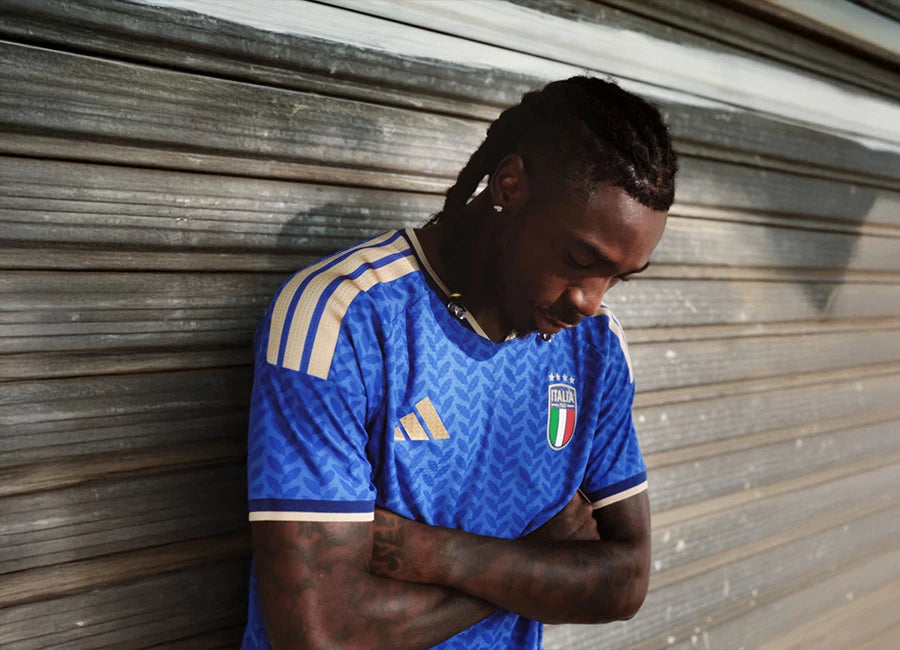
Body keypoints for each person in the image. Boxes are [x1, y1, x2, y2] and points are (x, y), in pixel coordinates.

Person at [241, 76, 677, 649]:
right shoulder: (343, 319)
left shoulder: (594, 349)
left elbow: (626, 582)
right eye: (578, 258)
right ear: (510, 185)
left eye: (617, 278)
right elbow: (322, 634)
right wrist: (536, 559)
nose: (590, 301)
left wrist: (433, 553)